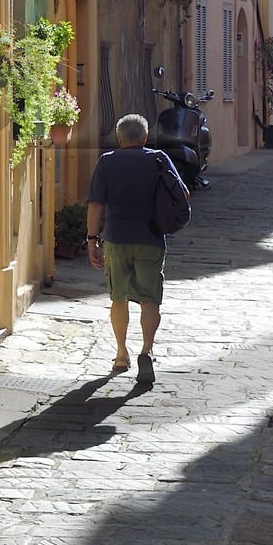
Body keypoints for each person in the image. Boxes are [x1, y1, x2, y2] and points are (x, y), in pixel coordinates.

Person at [85, 112, 190, 386]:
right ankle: (147, 350)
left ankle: (121, 354)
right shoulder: (158, 159)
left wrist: (91, 240)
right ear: (145, 137)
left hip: (117, 240)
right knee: (149, 299)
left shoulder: (107, 162)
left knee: (118, 298)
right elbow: (183, 194)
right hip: (151, 238)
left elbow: (95, 204)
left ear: (119, 138)